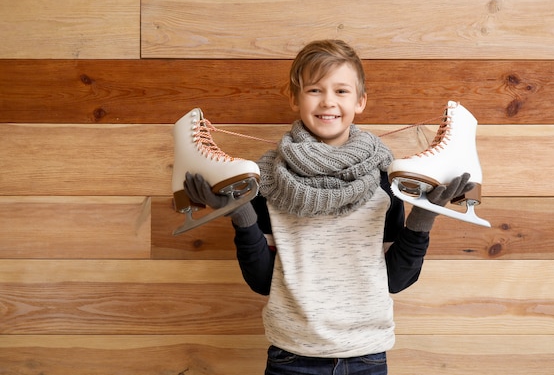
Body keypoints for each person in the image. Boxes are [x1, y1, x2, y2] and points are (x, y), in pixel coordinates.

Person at [184, 39, 474, 375]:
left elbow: (395, 280)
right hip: (291, 357)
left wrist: (423, 218)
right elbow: (263, 281)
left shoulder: (384, 179)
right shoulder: (270, 181)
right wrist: (241, 215)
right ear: (295, 98)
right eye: (314, 90)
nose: (328, 102)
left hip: (367, 356)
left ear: (360, 101)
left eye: (341, 91)